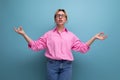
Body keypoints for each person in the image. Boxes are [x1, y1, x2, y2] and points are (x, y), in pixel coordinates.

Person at [14, 9, 107, 80]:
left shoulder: (71, 36)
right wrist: (24, 34)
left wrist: (94, 38)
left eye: (62, 15)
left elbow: (82, 48)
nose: (60, 17)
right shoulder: (48, 35)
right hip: (52, 65)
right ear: (55, 19)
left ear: (66, 19)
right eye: (58, 15)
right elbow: (35, 46)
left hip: (67, 66)